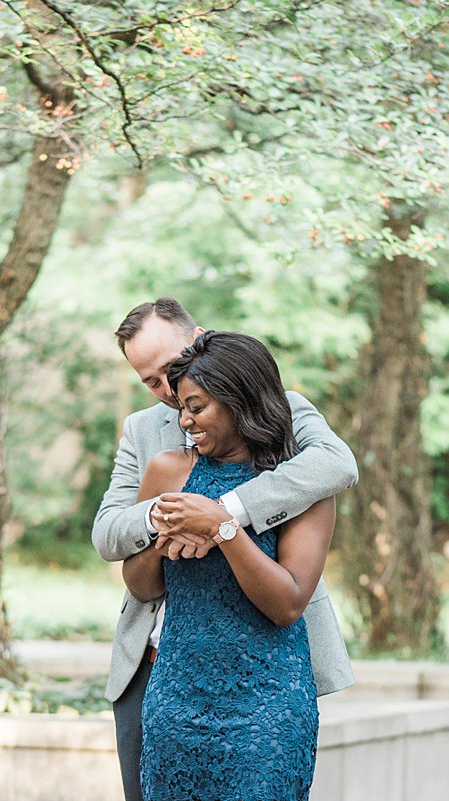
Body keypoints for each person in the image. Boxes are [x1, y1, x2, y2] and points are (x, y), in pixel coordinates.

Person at [92, 298, 357, 801]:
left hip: (266, 689)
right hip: (164, 677)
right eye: (151, 382)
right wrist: (163, 522)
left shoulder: (289, 418)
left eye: (173, 371)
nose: (169, 393)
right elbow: (109, 534)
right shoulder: (149, 440)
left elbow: (336, 466)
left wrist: (224, 516)